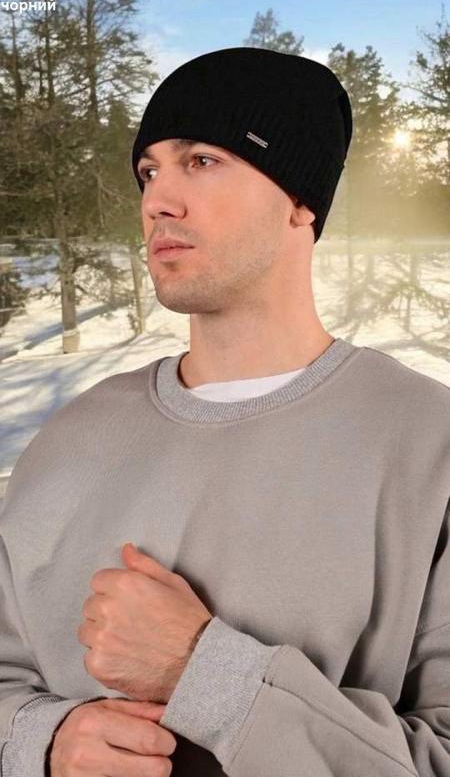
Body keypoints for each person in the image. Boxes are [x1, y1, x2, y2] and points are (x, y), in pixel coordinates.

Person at [0, 46, 449, 777]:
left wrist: (203, 673)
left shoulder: (429, 445)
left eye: (202, 161)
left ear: (301, 201)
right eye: (150, 171)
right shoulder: (70, 437)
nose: (158, 201)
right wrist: (42, 740)